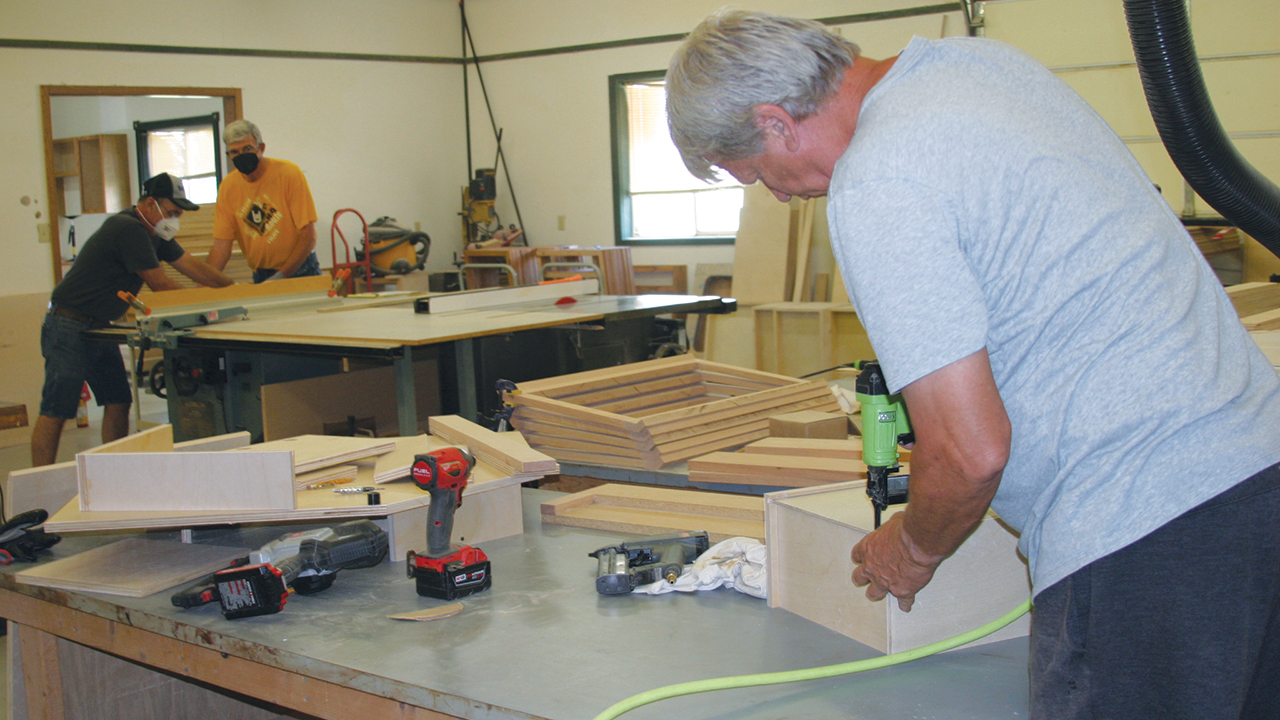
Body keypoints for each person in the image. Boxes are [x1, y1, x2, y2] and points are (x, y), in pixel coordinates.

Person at [666, 11, 1280, 719]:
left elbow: (969, 452)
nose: (777, 195)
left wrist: (914, 548)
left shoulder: (879, 181)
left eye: (755, 174)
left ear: (775, 121)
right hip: (1256, 474)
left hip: (1144, 535)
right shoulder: (977, 67)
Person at [32, 173, 234, 466]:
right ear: (150, 204)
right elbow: (160, 284)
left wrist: (235, 291)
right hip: (69, 325)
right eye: (172, 211)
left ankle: (113, 474)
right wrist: (205, 307)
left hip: (99, 326)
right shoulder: (127, 228)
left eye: (178, 213)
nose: (175, 219)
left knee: (118, 400)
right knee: (57, 410)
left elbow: (191, 266)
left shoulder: (155, 234)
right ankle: (38, 490)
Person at [208, 119, 320, 283]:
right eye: (235, 152)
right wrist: (204, 282)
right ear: (228, 155)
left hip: (301, 270)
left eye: (247, 149)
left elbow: (308, 236)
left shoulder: (289, 174)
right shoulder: (228, 187)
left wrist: (281, 275)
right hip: (261, 274)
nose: (241, 156)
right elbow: (221, 246)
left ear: (261, 148)